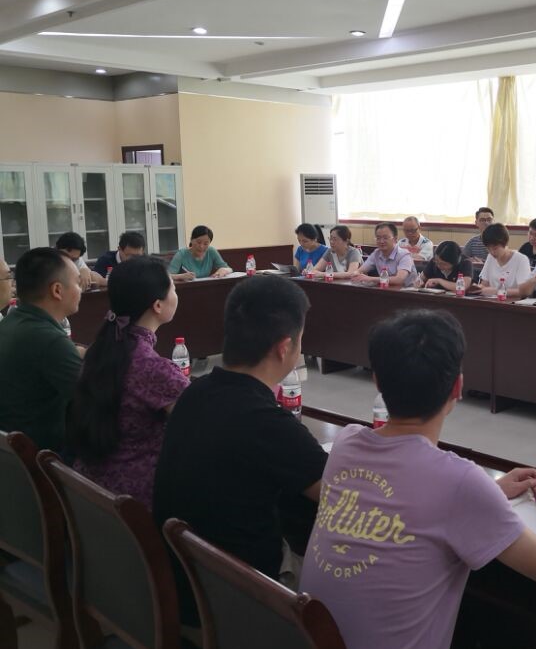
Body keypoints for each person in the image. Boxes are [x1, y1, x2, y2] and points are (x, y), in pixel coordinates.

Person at [299, 309, 536, 649]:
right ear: (457, 387)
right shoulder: (459, 483)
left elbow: (416, 493)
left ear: (377, 382)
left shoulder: (347, 443)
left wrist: (490, 492)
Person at [153, 276, 328, 616]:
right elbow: (339, 494)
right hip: (239, 603)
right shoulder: (267, 423)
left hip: (181, 581)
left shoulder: (193, 393)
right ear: (284, 347)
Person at [68, 256, 188, 509]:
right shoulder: (152, 367)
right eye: (173, 289)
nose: (176, 294)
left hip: (90, 491)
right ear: (158, 305)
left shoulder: (102, 349)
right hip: (135, 501)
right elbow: (200, 421)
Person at [0, 248, 82, 451]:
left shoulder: (11, 322)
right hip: (43, 458)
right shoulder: (50, 340)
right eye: (77, 282)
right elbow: (96, 401)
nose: (81, 289)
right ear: (57, 290)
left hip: (11, 454)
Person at [350, 223, 416, 288]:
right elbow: (360, 270)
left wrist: (370, 279)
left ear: (395, 239)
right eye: (378, 238)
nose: (381, 241)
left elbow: (399, 280)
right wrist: (356, 274)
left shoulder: (404, 255)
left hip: (406, 292)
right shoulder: (376, 253)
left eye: (385, 238)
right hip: (385, 290)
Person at [477, 223, 532, 297]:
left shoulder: (521, 259)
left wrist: (497, 291)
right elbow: (484, 284)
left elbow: (524, 292)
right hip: (492, 301)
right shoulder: (490, 257)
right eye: (488, 249)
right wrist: (477, 288)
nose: (492, 252)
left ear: (505, 243)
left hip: (513, 302)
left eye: (495, 248)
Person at [167, 225, 232, 281]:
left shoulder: (211, 251)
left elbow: (229, 269)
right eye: (198, 242)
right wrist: (181, 276)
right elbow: (167, 276)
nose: (201, 246)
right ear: (191, 240)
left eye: (206, 243)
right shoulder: (181, 254)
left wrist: (224, 270)